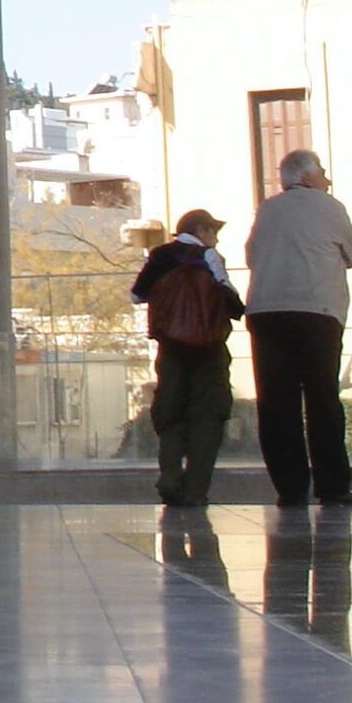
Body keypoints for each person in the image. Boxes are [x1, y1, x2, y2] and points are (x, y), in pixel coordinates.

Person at [244, 148, 352, 508]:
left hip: (266, 312)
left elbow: (252, 255)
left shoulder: (266, 210)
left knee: (275, 403)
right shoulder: (329, 206)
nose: (327, 180)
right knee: (322, 399)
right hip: (316, 311)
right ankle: (332, 486)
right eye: (323, 173)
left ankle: (290, 488)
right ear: (308, 178)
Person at [131, 207, 245, 507]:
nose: (216, 240)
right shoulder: (209, 258)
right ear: (201, 231)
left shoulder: (159, 256)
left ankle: (170, 476)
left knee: (171, 413)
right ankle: (196, 491)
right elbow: (232, 301)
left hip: (171, 349)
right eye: (213, 233)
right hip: (209, 350)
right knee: (208, 416)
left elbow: (136, 295)